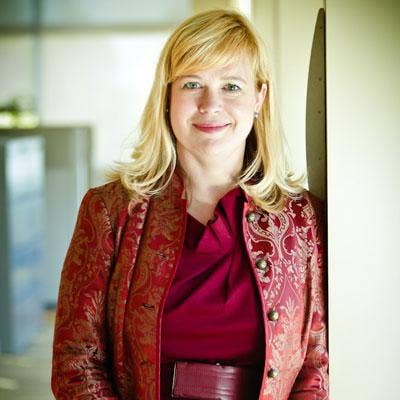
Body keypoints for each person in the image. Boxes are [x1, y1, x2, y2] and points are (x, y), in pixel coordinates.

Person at [51, 9, 328, 400]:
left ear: (259, 98)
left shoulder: (303, 221)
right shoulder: (110, 211)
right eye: (192, 84)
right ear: (167, 97)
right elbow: (76, 362)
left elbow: (316, 369)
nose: (210, 104)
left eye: (231, 86)